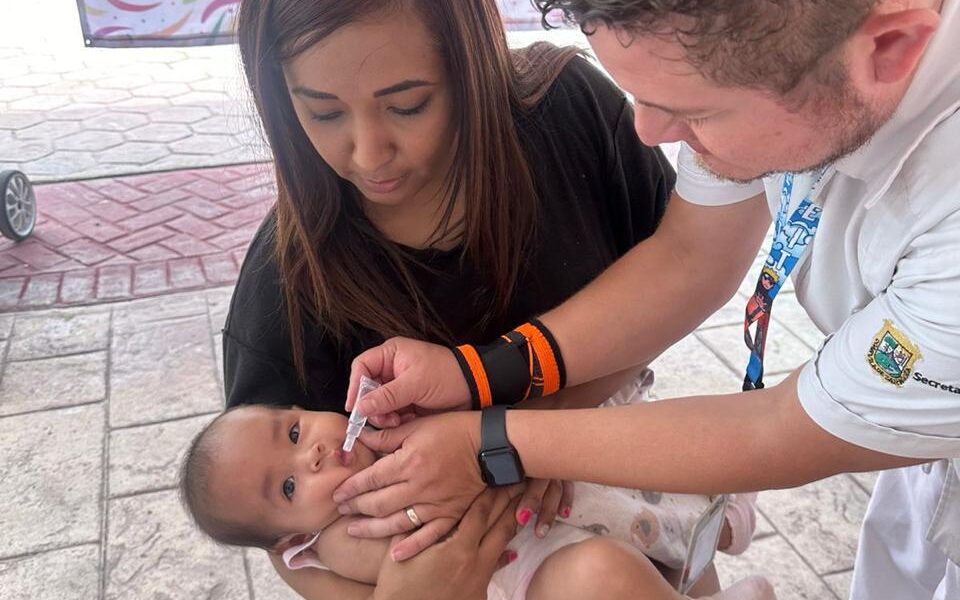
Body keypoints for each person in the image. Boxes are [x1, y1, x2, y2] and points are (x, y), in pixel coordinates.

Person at [334, 1, 960, 599]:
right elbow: (690, 257)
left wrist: (489, 443)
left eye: (694, 113)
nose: (647, 130)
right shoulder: (775, 61)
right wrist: (474, 373)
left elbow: (779, 430)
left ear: (890, 47)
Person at [219, 0, 726, 596]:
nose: (369, 153)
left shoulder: (569, 114)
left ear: (470, 59)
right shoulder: (285, 285)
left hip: (627, 496)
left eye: (408, 104)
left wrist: (527, 438)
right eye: (323, 113)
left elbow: (671, 281)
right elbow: (274, 529)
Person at [179, 404, 774, 600]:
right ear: (290, 539)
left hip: (549, 505)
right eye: (288, 487)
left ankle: (721, 515)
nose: (309, 454)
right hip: (530, 571)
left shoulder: (374, 424)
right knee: (604, 575)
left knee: (629, 485)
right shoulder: (332, 541)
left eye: (293, 431)